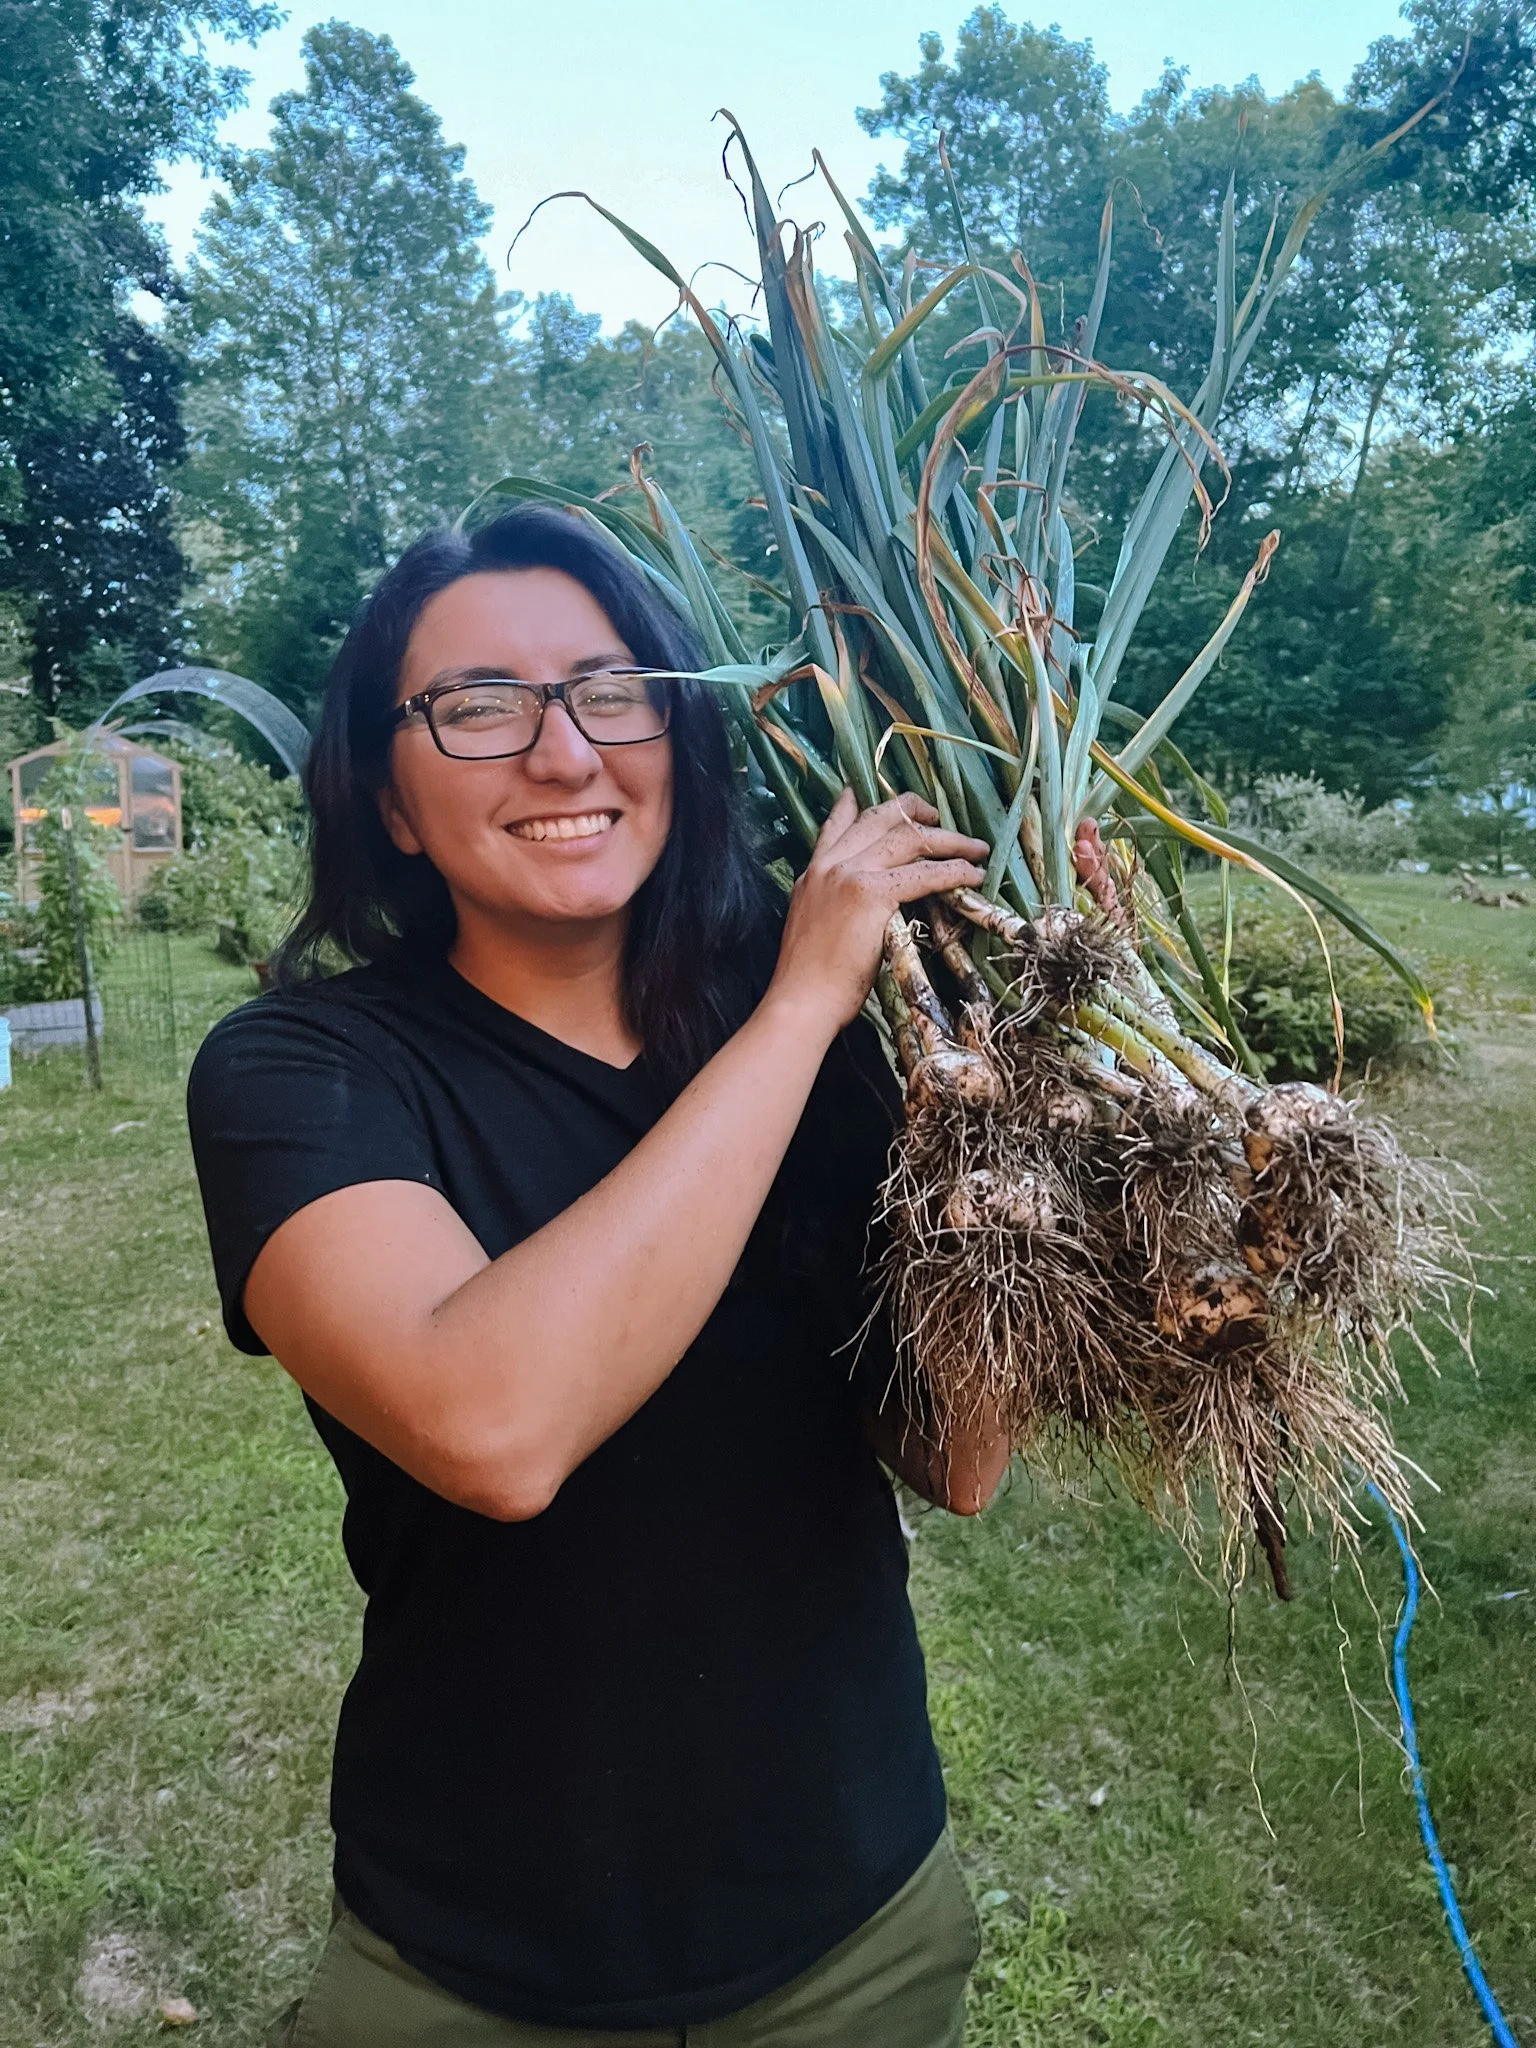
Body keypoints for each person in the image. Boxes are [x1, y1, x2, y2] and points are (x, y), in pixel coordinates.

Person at [186, 505, 1011, 2047]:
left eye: (611, 690)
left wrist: (1026, 1166)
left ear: (674, 738)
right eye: (479, 708)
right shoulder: (305, 1069)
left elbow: (953, 1458)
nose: (563, 756)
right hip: (478, 1963)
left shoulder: (834, 1066)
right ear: (394, 796)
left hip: (860, 1925)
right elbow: (490, 1430)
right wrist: (800, 1004)